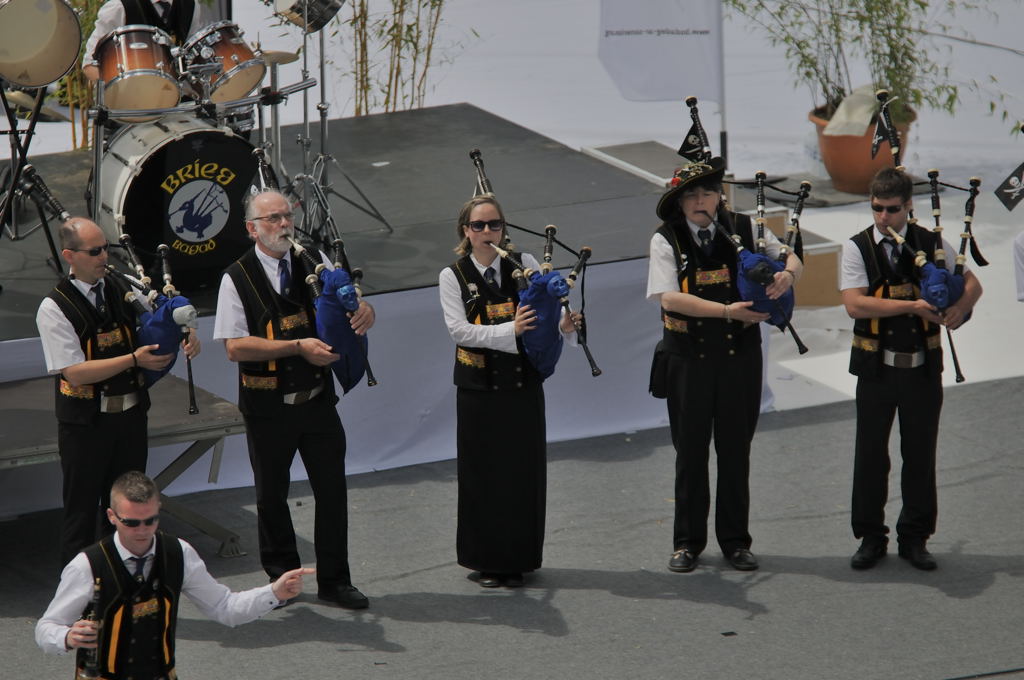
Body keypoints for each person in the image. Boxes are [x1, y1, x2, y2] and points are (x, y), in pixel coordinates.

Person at [213, 189, 373, 609]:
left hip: (317, 399)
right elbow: (234, 347)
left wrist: (365, 311)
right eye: (273, 219)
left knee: (332, 492)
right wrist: (296, 346)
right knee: (271, 496)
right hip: (267, 406)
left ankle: (336, 581)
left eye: (287, 216)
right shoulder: (236, 277)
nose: (284, 225)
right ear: (252, 229)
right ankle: (281, 579)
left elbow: (345, 303)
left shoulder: (313, 261)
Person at [646, 157, 803, 573]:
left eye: (708, 193)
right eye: (692, 195)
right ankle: (687, 542)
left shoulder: (746, 228)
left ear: (720, 196)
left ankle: (736, 542)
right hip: (688, 360)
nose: (701, 201)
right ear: (679, 202)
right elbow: (668, 298)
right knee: (690, 453)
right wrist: (728, 311)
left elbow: (791, 256)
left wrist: (787, 275)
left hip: (738, 359)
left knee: (735, 451)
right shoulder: (666, 239)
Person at [36, 471, 313, 679]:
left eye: (150, 520)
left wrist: (274, 593)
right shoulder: (87, 565)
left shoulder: (179, 552)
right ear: (111, 516)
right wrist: (67, 637)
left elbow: (224, 607)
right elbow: (46, 628)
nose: (142, 530)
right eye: (131, 522)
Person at [840, 166, 982, 571]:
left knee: (919, 454)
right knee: (871, 456)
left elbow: (972, 284)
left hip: (921, 369)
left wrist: (959, 308)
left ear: (908, 206)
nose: (883, 217)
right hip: (876, 369)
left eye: (891, 209)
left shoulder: (930, 241)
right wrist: (914, 306)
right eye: (877, 208)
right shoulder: (858, 247)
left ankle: (915, 537)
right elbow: (855, 304)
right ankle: (870, 536)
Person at [36, 218, 200, 566]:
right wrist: (133, 359)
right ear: (69, 255)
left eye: (105, 249)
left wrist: (187, 332)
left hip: (130, 417)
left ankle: (126, 579)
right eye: (94, 251)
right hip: (86, 424)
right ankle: (80, 589)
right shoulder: (54, 307)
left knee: (128, 507)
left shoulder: (121, 284)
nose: (103, 257)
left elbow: (162, 314)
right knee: (81, 513)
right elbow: (74, 371)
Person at [438, 195, 579, 588]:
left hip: (521, 384)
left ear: (504, 228)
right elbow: (459, 331)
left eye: (495, 224)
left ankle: (519, 559)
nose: (488, 232)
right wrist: (510, 331)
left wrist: (566, 325)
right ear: (465, 231)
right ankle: (485, 561)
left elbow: (547, 310)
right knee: (482, 474)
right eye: (479, 225)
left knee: (522, 473)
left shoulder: (526, 263)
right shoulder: (452, 275)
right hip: (478, 390)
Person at [81, 0, 217, 83]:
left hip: (178, 103)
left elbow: (193, 54)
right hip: (130, 108)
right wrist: (121, 90)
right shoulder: (119, 7)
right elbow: (89, 65)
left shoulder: (191, 5)